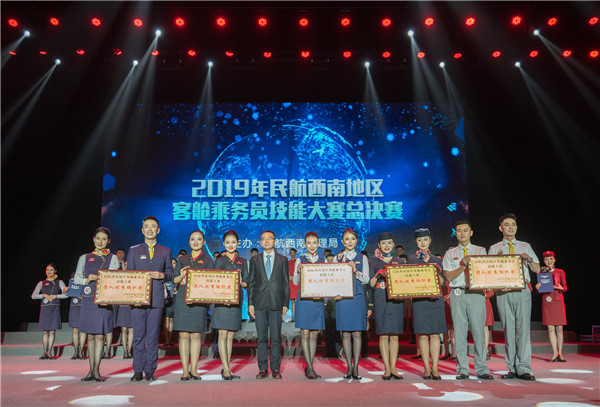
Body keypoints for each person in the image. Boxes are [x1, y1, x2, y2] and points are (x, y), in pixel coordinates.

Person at [489, 213, 540, 381]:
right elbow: (488, 272)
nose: (510, 227)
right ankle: (511, 368)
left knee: (523, 330)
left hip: (521, 291)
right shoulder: (495, 248)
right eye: (507, 224)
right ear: (500, 228)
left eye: (513, 224)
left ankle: (524, 368)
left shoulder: (525, 246)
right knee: (508, 330)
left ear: (516, 227)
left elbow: (537, 269)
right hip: (503, 292)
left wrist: (529, 259)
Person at [442, 220, 493, 380]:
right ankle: (462, 369)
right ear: (455, 233)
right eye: (459, 230)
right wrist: (463, 266)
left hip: (476, 293)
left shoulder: (480, 250)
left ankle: (482, 368)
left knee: (478, 331)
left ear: (471, 232)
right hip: (458, 293)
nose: (462, 233)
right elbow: (449, 276)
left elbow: (486, 271)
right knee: (459, 332)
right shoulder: (450, 253)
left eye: (465, 230)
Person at [127, 216, 174, 382]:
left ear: (158, 230)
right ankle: (137, 370)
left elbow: (170, 272)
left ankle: (150, 370)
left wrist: (162, 275)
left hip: (157, 299)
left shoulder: (165, 251)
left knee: (153, 336)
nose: (149, 229)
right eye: (146, 226)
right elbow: (129, 275)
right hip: (138, 299)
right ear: (142, 230)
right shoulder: (134, 250)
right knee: (138, 336)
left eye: (153, 226)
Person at [73, 227, 120, 381]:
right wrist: (87, 279)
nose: (100, 242)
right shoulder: (84, 257)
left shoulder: (113, 258)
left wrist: (101, 278)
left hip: (104, 299)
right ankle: (90, 370)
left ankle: (97, 370)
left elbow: (114, 278)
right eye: (98, 238)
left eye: (104, 239)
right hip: (88, 299)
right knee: (90, 336)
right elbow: (77, 278)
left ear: (109, 241)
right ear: (93, 239)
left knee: (100, 335)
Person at [248, 230, 290, 380]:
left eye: (269, 238)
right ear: (260, 242)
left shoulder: (282, 260)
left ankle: (276, 369)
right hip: (259, 303)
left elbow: (286, 283)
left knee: (276, 337)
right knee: (261, 337)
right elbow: (251, 283)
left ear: (275, 241)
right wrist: (250, 304)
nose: (266, 241)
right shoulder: (254, 260)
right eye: (263, 239)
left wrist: (286, 304)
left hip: (276, 302)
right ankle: (262, 369)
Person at [173, 230, 213, 381]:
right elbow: (175, 280)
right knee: (183, 335)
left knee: (196, 335)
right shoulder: (182, 259)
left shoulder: (208, 261)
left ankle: (194, 369)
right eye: (192, 239)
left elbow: (211, 283)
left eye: (199, 239)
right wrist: (182, 275)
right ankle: (185, 370)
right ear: (189, 242)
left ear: (203, 242)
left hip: (199, 301)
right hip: (182, 300)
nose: (195, 242)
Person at [408, 228, 446, 380]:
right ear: (415, 242)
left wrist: (436, 271)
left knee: (435, 334)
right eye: (419, 240)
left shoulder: (437, 260)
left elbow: (442, 282)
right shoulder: (412, 260)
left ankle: (435, 368)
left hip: (435, 300)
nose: (422, 243)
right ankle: (427, 368)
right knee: (423, 335)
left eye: (425, 240)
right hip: (419, 301)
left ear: (430, 241)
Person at [335, 228, 370, 380]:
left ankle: (356, 368)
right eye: (347, 239)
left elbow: (366, 280)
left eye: (352, 239)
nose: (350, 242)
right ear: (342, 242)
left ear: (357, 241)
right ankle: (349, 367)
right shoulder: (337, 258)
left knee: (357, 333)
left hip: (357, 297)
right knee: (345, 334)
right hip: (342, 299)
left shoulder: (362, 258)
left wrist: (356, 271)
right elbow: (333, 280)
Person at [369, 232, 405, 380]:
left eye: (389, 243)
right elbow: (371, 284)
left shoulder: (399, 261)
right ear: (379, 245)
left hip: (396, 300)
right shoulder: (373, 262)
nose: (387, 246)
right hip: (380, 298)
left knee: (394, 335)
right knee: (383, 334)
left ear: (393, 244)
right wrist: (378, 274)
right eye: (384, 243)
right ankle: (387, 368)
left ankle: (394, 368)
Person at [213, 231, 249, 380]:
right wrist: (222, 297)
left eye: (233, 242)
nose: (230, 245)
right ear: (224, 244)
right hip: (222, 301)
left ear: (238, 243)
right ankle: (226, 369)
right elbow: (215, 281)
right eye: (227, 242)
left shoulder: (242, 261)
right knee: (222, 333)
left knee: (230, 335)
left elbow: (247, 281)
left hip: (235, 301)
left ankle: (227, 367)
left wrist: (242, 282)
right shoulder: (220, 260)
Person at [293, 232, 326, 379]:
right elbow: (295, 281)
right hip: (304, 299)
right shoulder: (300, 260)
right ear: (305, 244)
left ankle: (310, 365)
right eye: (309, 243)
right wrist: (299, 271)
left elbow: (326, 281)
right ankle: (310, 368)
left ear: (318, 244)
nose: (312, 246)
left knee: (314, 334)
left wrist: (325, 298)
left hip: (317, 300)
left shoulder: (323, 260)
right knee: (305, 333)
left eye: (314, 243)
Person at [31, 263, 68, 360]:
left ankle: (49, 353)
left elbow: (66, 295)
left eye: (51, 270)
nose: (49, 272)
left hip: (54, 308)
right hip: (45, 308)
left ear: (55, 271)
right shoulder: (41, 283)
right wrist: (43, 295)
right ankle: (44, 352)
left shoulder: (59, 282)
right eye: (47, 270)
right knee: (45, 331)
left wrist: (56, 296)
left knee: (52, 331)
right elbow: (33, 296)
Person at [537, 250, 567, 363]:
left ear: (554, 260)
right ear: (543, 261)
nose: (549, 261)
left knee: (559, 328)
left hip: (558, 300)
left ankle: (561, 353)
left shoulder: (560, 271)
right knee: (550, 328)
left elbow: (565, 287)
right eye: (546, 259)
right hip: (547, 300)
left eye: (551, 259)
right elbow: (541, 289)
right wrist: (538, 288)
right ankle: (554, 353)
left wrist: (561, 288)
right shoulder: (542, 272)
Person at [115, 251, 133, 359]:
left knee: (131, 329)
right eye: (125, 265)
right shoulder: (120, 277)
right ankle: (125, 351)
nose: (126, 266)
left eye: (128, 265)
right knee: (124, 329)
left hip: (132, 305)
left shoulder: (135, 276)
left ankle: (129, 350)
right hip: (123, 306)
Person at [65, 271, 86, 359]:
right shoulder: (73, 278)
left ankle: (81, 352)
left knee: (83, 329)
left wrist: (84, 296)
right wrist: (66, 291)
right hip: (74, 306)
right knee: (75, 329)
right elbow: (68, 293)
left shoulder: (88, 280)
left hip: (84, 306)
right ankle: (75, 351)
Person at [162, 258, 177, 347]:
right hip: (166, 300)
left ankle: (170, 339)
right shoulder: (165, 274)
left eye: (174, 263)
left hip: (174, 299)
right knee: (166, 319)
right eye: (171, 263)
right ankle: (166, 339)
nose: (172, 265)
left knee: (171, 319)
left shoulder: (177, 275)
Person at [484, 289, 495, 360]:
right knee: (477, 327)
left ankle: (485, 350)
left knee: (485, 326)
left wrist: (486, 295)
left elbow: (493, 290)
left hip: (485, 302)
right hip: (475, 303)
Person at [288, 248, 298, 322]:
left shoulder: (298, 262)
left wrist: (294, 278)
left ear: (295, 253)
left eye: (293, 253)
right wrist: (289, 277)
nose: (292, 254)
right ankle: (293, 317)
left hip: (296, 282)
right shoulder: (287, 262)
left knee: (296, 300)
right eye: (291, 253)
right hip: (290, 282)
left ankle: (297, 316)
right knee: (292, 301)